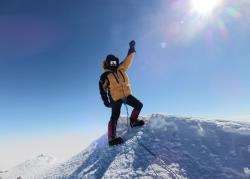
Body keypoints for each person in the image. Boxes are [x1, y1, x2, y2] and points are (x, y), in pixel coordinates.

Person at [99, 40, 145, 146]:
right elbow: (102, 90)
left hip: (126, 94)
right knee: (115, 116)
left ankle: (133, 121)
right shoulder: (105, 76)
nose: (113, 64)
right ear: (107, 63)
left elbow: (128, 60)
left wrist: (132, 49)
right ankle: (111, 138)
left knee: (139, 105)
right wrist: (106, 101)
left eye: (114, 62)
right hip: (115, 98)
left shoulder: (122, 68)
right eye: (111, 62)